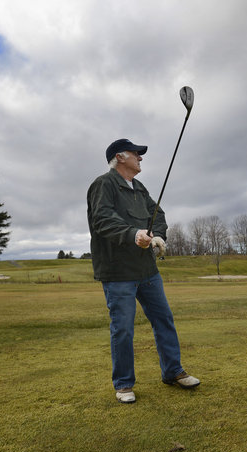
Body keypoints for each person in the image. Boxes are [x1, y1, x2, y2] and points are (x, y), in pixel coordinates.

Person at [87, 138, 200, 403]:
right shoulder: (103, 184)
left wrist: (157, 236)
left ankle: (173, 371)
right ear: (120, 157)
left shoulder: (139, 187)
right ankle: (124, 384)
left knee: (164, 320)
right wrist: (133, 233)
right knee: (123, 328)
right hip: (117, 272)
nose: (141, 157)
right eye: (136, 153)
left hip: (146, 270)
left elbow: (157, 214)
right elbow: (102, 220)